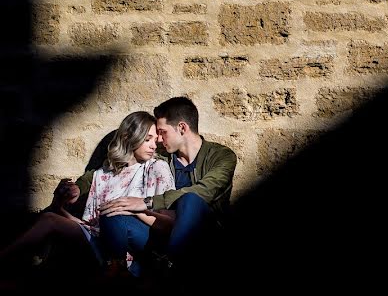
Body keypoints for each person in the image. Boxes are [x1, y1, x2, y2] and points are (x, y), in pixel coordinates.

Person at [0, 111, 174, 276]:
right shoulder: (106, 172)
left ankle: (118, 270)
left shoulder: (157, 168)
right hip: (100, 234)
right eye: (147, 139)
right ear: (129, 138)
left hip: (141, 236)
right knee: (50, 219)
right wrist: (60, 202)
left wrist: (132, 209)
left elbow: (168, 224)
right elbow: (90, 220)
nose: (154, 145)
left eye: (154, 139)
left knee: (112, 216)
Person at [78, 96, 237, 272]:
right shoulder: (164, 155)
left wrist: (145, 203)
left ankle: (168, 267)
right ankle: (117, 273)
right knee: (112, 212)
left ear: (182, 128)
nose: (158, 140)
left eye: (162, 132)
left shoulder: (223, 156)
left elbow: (205, 191)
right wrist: (78, 187)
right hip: (161, 234)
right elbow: (107, 169)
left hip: (205, 236)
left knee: (190, 199)